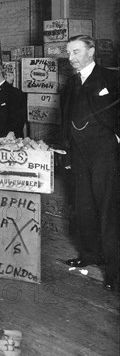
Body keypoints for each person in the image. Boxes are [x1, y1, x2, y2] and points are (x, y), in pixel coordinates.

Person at [60, 34, 119, 292]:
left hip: (105, 152)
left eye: (76, 52)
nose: (71, 58)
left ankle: (114, 270)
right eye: (69, 53)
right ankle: (89, 254)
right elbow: (65, 119)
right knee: (83, 207)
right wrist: (68, 154)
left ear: (91, 51)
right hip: (80, 154)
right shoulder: (71, 84)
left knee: (108, 209)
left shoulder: (111, 78)